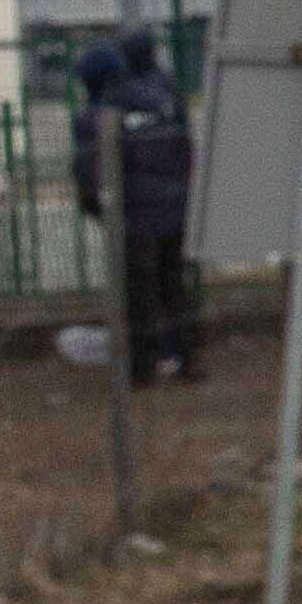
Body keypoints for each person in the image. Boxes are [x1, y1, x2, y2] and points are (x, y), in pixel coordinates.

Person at [101, 28, 197, 383]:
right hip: (174, 204)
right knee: (173, 283)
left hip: (139, 212)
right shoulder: (169, 91)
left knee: (141, 289)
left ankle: (145, 363)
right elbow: (184, 144)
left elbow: (113, 155)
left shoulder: (118, 95)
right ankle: (183, 354)